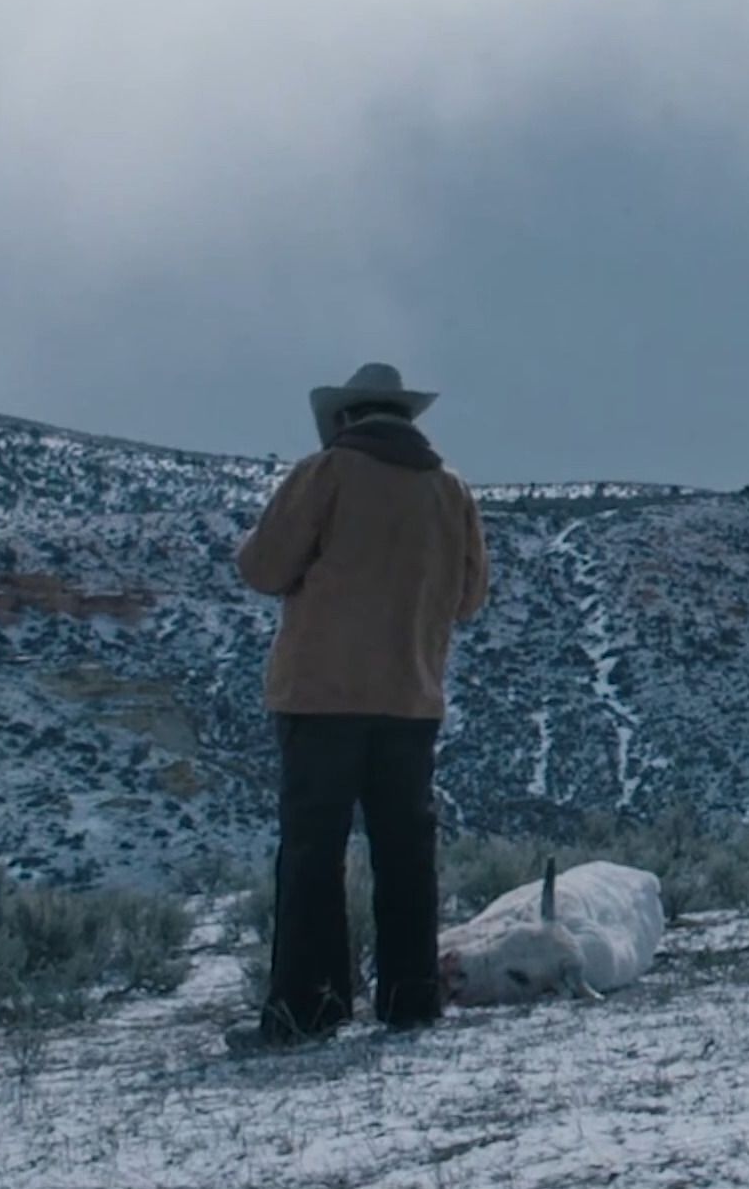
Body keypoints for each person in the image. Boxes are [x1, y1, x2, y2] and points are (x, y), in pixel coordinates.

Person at [226, 363, 490, 1052]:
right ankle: (409, 999)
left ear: (345, 419)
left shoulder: (327, 472)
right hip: (413, 696)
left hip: (321, 695)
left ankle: (307, 1009)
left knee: (314, 852)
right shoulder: (450, 489)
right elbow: (469, 599)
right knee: (407, 851)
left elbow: (263, 569)